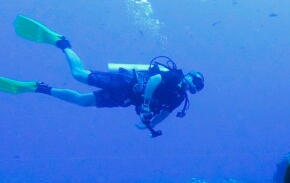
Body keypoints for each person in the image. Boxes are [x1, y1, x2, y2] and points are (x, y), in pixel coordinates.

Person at [0, 15, 204, 137]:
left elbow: (165, 114)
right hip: (127, 82)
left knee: (82, 101)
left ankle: (41, 88)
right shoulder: (173, 77)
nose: (187, 86)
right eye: (191, 81)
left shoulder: (178, 99)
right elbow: (153, 80)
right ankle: (63, 43)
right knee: (79, 75)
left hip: (124, 98)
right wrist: (145, 104)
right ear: (188, 76)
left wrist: (149, 124)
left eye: (192, 88)